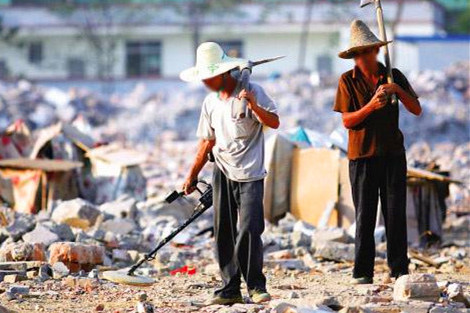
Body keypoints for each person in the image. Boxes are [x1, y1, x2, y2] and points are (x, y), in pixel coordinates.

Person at [180, 42, 280, 304]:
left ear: (224, 73)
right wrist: (192, 175)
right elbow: (206, 142)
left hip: (250, 173)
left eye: (210, 77)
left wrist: (254, 106)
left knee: (249, 229)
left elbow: (275, 122)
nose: (206, 83)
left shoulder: (252, 90)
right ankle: (230, 288)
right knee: (223, 230)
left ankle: (256, 286)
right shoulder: (210, 102)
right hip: (222, 170)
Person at [334, 20, 422, 284]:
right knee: (365, 216)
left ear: (375, 51)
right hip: (361, 156)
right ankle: (362, 272)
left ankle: (399, 270)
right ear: (354, 56)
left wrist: (397, 90)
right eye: (358, 54)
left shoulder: (393, 76)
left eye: (367, 51)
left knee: (395, 214)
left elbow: (416, 109)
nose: (363, 58)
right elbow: (348, 121)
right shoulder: (347, 81)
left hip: (393, 155)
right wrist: (371, 106)